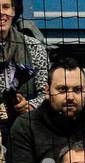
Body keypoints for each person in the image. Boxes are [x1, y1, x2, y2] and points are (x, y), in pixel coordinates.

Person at [0, 0, 48, 134]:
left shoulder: (34, 47)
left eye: (6, 7)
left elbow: (46, 93)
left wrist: (30, 106)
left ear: (13, 11)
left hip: (26, 129)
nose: (1, 13)